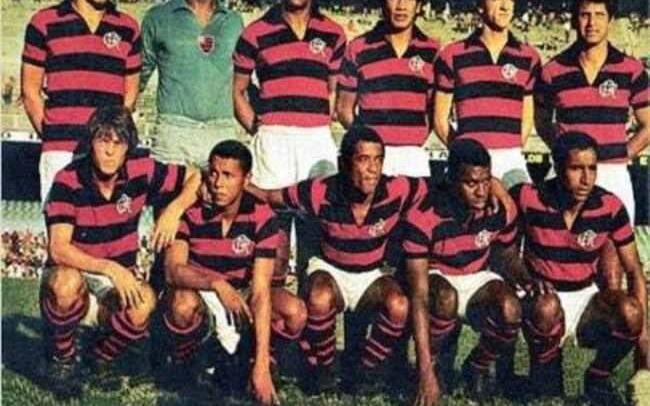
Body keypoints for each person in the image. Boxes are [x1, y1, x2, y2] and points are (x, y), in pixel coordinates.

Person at [248, 127, 425, 395]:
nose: (373, 169)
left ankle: (364, 373)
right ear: (344, 163)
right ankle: (327, 369)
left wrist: (490, 187)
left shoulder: (397, 189)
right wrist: (241, 186)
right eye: (363, 159)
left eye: (378, 160)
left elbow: (441, 188)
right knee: (319, 297)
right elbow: (271, 197)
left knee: (399, 305)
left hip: (371, 274)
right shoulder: (321, 191)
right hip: (331, 269)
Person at [40, 105, 200, 398]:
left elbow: (196, 177)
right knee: (65, 283)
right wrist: (111, 268)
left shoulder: (141, 170)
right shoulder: (68, 178)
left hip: (114, 282)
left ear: (129, 147)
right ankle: (62, 360)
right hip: (77, 270)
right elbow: (59, 248)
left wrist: (174, 210)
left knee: (143, 303)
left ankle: (100, 358)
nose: (110, 151)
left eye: (119, 142)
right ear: (91, 142)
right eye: (103, 140)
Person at [232, 0, 347, 291]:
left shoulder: (333, 33)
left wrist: (319, 126)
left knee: (317, 241)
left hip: (315, 141)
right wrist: (258, 128)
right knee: (275, 242)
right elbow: (238, 92)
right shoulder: (255, 32)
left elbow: (332, 91)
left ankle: (311, 321)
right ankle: (275, 319)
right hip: (274, 140)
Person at [162, 140, 306, 405]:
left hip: (242, 294)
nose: (218, 183)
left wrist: (261, 363)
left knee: (294, 311)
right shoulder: (192, 211)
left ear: (246, 179)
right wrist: (216, 283)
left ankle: (256, 364)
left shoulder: (262, 215)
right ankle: (189, 368)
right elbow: (173, 270)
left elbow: (261, 291)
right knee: (182, 305)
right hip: (202, 293)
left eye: (228, 175)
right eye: (214, 173)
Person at [508, 132, 648, 404]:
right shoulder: (528, 197)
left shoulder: (609, 206)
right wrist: (526, 279)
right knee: (548, 394)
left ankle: (597, 376)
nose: (586, 179)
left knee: (631, 313)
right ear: (558, 167)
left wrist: (644, 347)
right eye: (576, 168)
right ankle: (545, 373)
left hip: (584, 298)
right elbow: (506, 253)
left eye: (592, 169)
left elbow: (633, 271)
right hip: (541, 300)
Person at [21, 0, 141, 203]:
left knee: (105, 227)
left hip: (108, 155)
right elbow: (30, 91)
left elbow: (130, 95)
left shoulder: (128, 28)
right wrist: (54, 136)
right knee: (60, 227)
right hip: (61, 152)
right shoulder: (44, 23)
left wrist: (110, 141)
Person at [403, 139, 521, 401]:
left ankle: (476, 368)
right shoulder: (424, 213)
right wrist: (424, 372)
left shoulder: (499, 206)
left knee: (511, 307)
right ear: (452, 181)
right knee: (445, 297)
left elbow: (510, 256)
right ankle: (433, 366)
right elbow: (419, 295)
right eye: (471, 183)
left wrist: (528, 279)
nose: (481, 192)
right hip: (438, 275)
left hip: (475, 275)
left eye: (486, 181)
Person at [535, 0, 650, 226]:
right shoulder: (553, 70)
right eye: (585, 15)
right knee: (560, 242)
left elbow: (648, 124)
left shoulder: (631, 69)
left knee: (616, 246)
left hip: (612, 174)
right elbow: (541, 120)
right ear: (574, 19)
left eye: (599, 15)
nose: (591, 23)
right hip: (566, 174)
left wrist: (622, 154)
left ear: (611, 20)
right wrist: (564, 152)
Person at [140, 0, 244, 169]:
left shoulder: (234, 21)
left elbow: (244, 81)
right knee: (168, 194)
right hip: (174, 133)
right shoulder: (158, 17)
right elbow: (137, 76)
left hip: (221, 131)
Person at [434, 0, 542, 188]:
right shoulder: (452, 54)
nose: (505, 6)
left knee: (522, 208)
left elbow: (527, 119)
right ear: (480, 5)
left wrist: (508, 148)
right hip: (467, 162)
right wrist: (463, 153)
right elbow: (440, 119)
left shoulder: (529, 57)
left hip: (510, 160)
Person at [337, 0, 440, 177]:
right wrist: (367, 141)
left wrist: (413, 139)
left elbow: (432, 108)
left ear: (419, 5)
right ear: (383, 3)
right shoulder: (358, 48)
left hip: (413, 157)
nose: (401, 6)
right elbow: (344, 109)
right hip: (372, 156)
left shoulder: (432, 51)